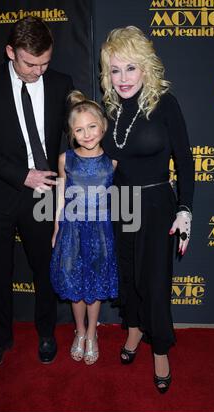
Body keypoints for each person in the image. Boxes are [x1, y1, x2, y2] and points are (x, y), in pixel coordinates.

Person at [0, 16, 73, 372]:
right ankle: (0, 339)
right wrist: (21, 175)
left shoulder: (61, 84)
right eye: (30, 63)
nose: (38, 71)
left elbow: (72, 138)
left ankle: (46, 333)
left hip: (45, 193)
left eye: (45, 63)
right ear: (11, 52)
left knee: (45, 269)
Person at [100, 26, 194, 392]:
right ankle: (135, 329)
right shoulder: (108, 107)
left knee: (154, 282)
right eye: (114, 70)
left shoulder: (164, 103)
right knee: (128, 276)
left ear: (145, 68)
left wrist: (185, 209)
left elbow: (185, 161)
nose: (122, 78)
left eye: (130, 68)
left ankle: (161, 349)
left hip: (156, 203)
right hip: (120, 202)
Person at [50, 91, 118, 365]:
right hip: (72, 229)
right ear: (72, 133)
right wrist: (56, 227)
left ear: (102, 125)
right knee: (75, 283)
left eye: (92, 127)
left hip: (101, 230)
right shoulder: (66, 159)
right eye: (79, 129)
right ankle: (79, 331)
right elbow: (60, 197)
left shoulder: (112, 161)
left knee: (96, 282)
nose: (87, 134)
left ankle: (92, 332)